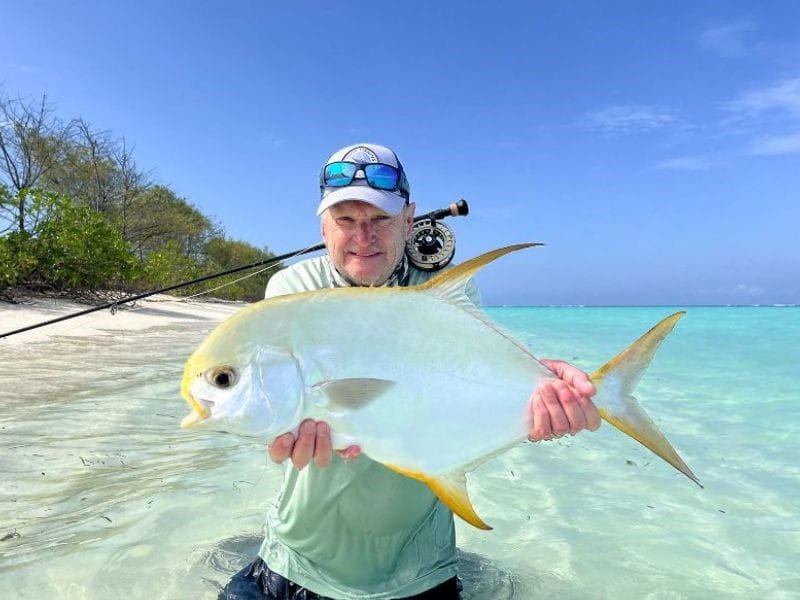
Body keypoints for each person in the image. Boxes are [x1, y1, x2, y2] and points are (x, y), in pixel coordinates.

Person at [221, 143, 600, 600]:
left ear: (409, 219)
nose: (363, 236)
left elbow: (463, 388)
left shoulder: (443, 291)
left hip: (421, 571)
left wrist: (539, 395)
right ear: (323, 226)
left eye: (380, 219)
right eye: (346, 221)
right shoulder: (292, 292)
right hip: (299, 561)